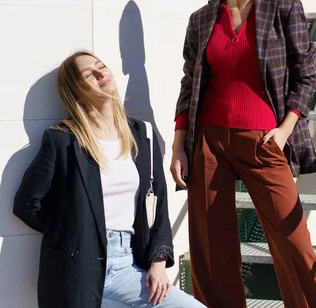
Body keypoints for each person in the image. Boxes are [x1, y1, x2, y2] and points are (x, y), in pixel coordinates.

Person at [170, 0, 316, 308]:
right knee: (212, 248)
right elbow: (190, 82)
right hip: (208, 140)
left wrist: (284, 130)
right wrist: (179, 144)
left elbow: (307, 74)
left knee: (294, 243)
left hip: (264, 140)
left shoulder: (284, 8)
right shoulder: (202, 18)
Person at [13, 51, 204, 308]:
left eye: (101, 66)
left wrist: (158, 263)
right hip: (79, 274)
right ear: (76, 91)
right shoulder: (63, 140)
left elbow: (157, 203)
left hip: (129, 265)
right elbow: (27, 204)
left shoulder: (141, 135)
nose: (101, 73)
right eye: (89, 74)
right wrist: (75, 233)